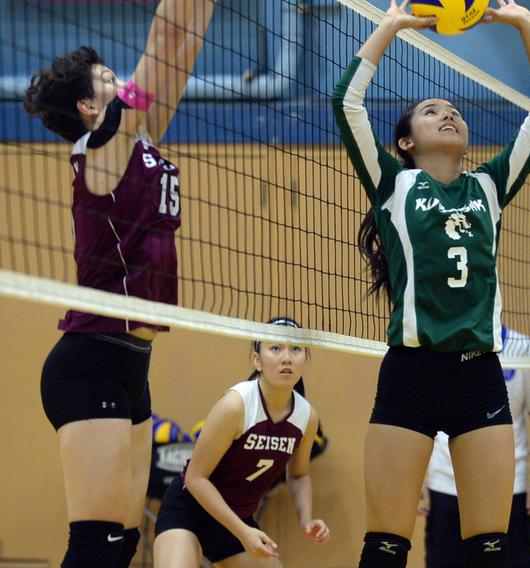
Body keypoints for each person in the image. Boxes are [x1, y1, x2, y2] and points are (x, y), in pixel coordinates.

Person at [331, 0, 530, 565]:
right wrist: (387, 28)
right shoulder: (393, 184)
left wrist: (525, 26)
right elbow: (346, 104)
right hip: (410, 371)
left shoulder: (489, 186)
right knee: (385, 547)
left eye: (454, 110)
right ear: (406, 141)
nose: (449, 114)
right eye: (432, 110)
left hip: (479, 377)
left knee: (489, 549)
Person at [23, 2, 215, 566]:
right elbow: (159, 46)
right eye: (110, 78)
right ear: (89, 107)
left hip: (131, 364)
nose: (126, 82)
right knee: (97, 544)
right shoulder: (101, 151)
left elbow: (182, 51)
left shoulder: (142, 140)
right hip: (90, 363)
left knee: (125, 543)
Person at [154, 317, 329, 567]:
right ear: (257, 360)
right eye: (276, 348)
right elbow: (195, 478)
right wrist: (243, 532)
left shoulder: (306, 416)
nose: (287, 358)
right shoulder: (237, 404)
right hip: (189, 509)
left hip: (236, 519)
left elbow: (299, 475)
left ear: (305, 360)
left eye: (296, 349)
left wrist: (307, 520)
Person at [419, 327, 530, 568]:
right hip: (445, 486)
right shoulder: (434, 341)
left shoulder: (526, 349)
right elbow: (420, 415)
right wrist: (419, 479)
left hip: (509, 488)